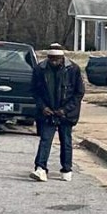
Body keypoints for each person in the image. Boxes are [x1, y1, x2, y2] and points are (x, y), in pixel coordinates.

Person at [30, 43, 84, 181]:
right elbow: (34, 91)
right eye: (51, 58)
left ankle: (66, 169)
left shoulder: (73, 69)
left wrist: (65, 110)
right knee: (45, 139)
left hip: (65, 112)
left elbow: (79, 93)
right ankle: (40, 168)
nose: (54, 61)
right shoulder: (40, 69)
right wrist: (43, 107)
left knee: (65, 141)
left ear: (62, 58)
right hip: (48, 111)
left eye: (56, 59)